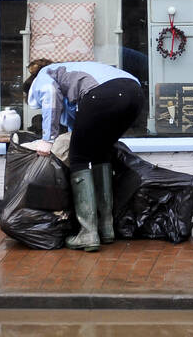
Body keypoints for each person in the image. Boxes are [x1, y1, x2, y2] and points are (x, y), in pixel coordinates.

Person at [23, 59, 144, 252]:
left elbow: (50, 95)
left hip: (104, 94)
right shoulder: (73, 71)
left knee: (79, 158)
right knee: (100, 154)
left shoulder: (45, 74)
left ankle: (87, 233)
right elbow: (79, 122)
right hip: (134, 93)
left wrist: (47, 139)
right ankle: (106, 228)